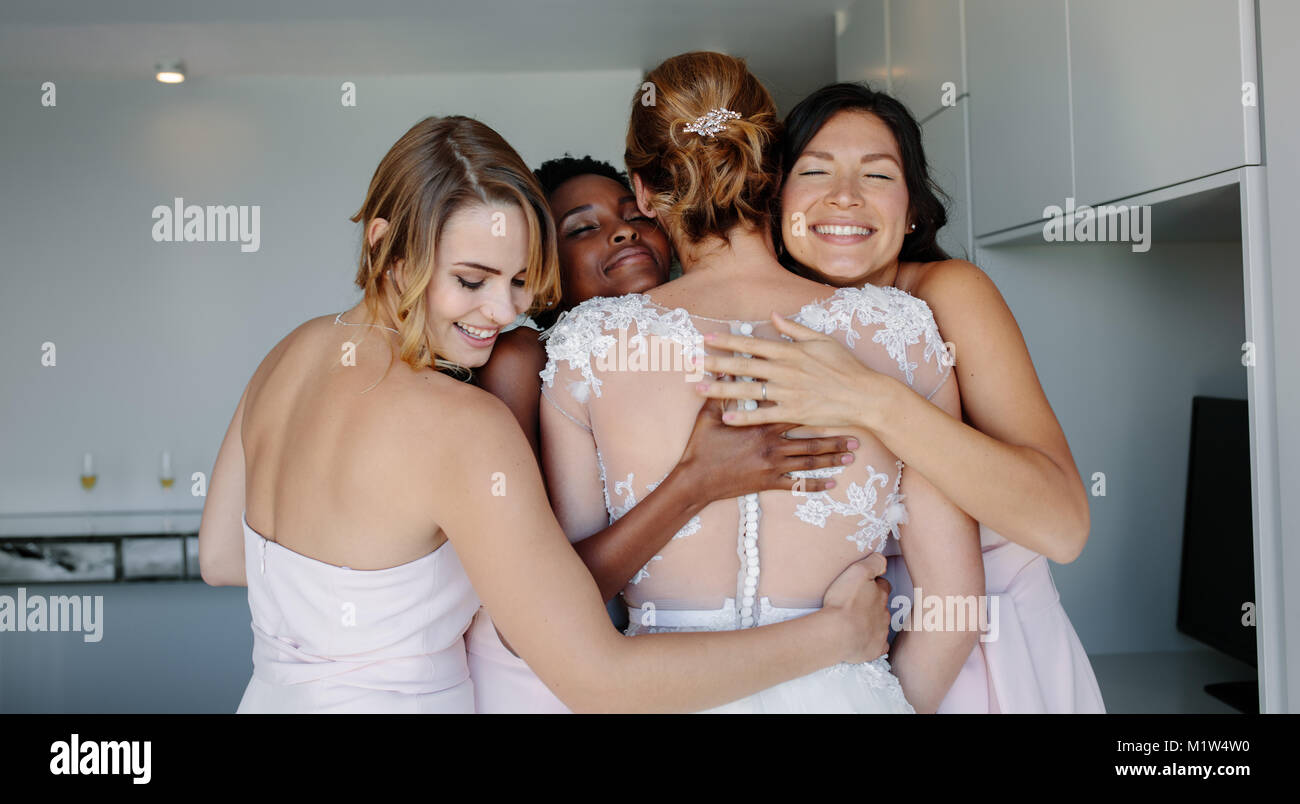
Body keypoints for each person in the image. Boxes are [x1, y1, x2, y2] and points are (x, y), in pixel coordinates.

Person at [195, 114, 895, 714]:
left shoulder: (290, 355)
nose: (502, 313)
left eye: (521, 280)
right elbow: (598, 682)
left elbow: (223, 557)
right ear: (386, 247)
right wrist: (836, 637)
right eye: (471, 280)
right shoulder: (463, 425)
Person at [538, 52, 984, 713]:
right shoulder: (898, 331)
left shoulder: (586, 348)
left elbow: (571, 604)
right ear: (773, 168)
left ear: (642, 191)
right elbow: (956, 610)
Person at [696, 82, 1105, 712]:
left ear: (911, 208)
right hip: (849, 670)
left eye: (878, 175)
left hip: (994, 665)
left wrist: (873, 401)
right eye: (816, 171)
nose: (845, 197)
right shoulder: (753, 327)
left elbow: (1064, 526)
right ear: (775, 201)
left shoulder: (949, 294)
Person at [468, 156, 863, 713]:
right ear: (543, 269)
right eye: (582, 228)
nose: (622, 230)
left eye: (635, 216)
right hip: (547, 677)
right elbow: (536, 601)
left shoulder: (693, 346)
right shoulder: (525, 359)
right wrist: (697, 482)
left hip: (675, 672)